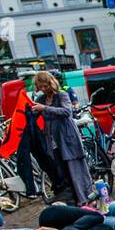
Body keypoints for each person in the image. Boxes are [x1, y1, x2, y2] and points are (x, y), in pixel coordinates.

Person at [28, 71, 91, 205]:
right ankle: (71, 200)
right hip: (52, 140)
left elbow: (67, 112)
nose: (43, 89)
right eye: (40, 87)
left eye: (45, 86)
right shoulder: (41, 99)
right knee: (61, 171)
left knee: (74, 168)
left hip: (67, 138)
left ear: (50, 83)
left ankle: (84, 198)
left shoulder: (61, 95)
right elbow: (34, 114)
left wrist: (45, 108)